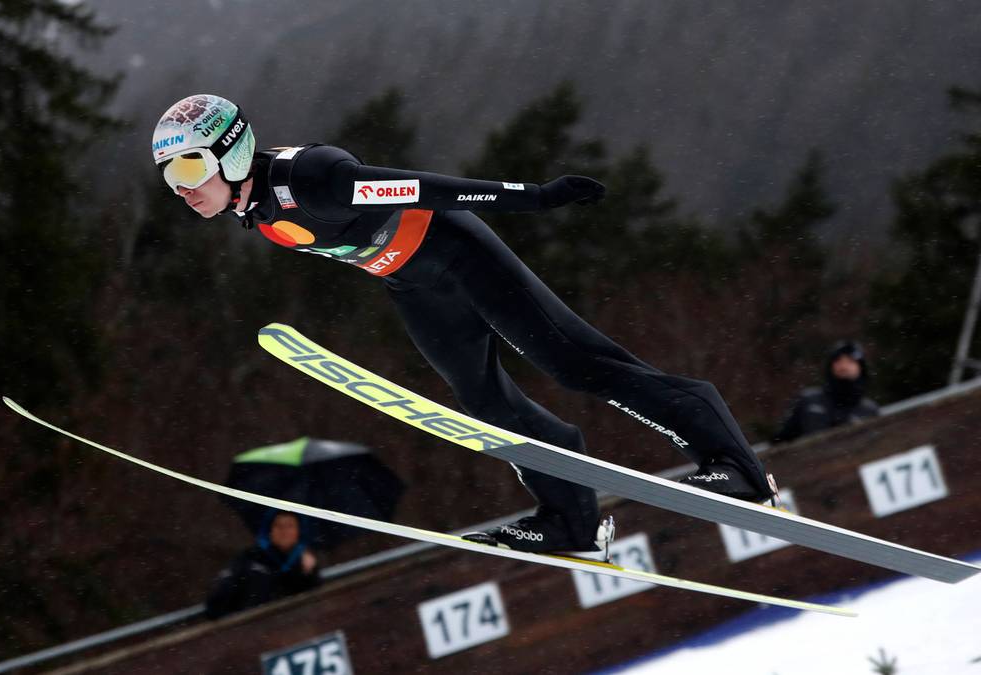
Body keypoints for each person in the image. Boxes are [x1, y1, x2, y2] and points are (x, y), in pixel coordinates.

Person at [153, 94, 777, 554]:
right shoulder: (253, 204)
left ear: (231, 150)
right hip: (411, 281)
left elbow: (425, 188)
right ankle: (570, 519)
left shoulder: (312, 180)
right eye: (169, 178)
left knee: (574, 363)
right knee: (483, 402)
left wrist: (533, 196)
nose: (180, 190)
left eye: (187, 170)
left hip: (458, 255)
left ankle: (733, 463)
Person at [205, 510, 321, 619]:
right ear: (269, 530)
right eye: (278, 526)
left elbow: (314, 604)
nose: (284, 531)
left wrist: (308, 573)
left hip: (294, 629)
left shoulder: (305, 562)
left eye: (290, 526)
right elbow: (217, 601)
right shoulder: (250, 558)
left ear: (299, 531)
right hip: (250, 629)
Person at [773, 340, 880, 443]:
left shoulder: (869, 410)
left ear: (861, 367)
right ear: (831, 366)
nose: (843, 366)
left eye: (850, 361)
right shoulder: (807, 401)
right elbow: (780, 440)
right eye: (838, 361)